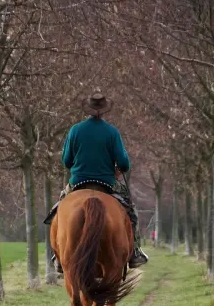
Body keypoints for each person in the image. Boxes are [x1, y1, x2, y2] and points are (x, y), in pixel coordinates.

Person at [45, 90, 149, 273]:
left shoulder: (75, 130)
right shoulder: (112, 132)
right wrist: (117, 168)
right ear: (103, 110)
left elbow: (66, 161)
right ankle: (134, 252)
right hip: (107, 184)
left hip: (78, 183)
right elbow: (124, 163)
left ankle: (58, 254)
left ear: (88, 109)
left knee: (59, 209)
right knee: (130, 212)